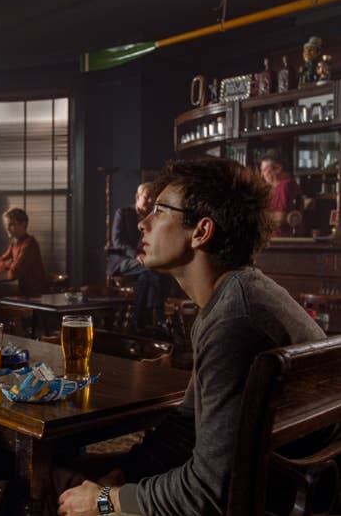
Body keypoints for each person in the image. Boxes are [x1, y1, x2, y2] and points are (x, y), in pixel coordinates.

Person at [54, 158, 327, 516]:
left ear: (201, 231)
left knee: (40, 487)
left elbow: (208, 491)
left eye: (160, 211)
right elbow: (187, 427)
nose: (143, 222)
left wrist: (107, 501)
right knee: (64, 478)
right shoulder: (236, 297)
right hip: (276, 485)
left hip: (262, 501)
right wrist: (124, 474)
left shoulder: (235, 320)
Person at [107, 182, 165, 329]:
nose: (150, 200)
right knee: (151, 269)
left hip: (146, 261)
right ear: (137, 197)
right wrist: (136, 254)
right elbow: (118, 241)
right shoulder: (124, 213)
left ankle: (138, 320)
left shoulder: (153, 217)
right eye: (147, 197)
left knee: (147, 276)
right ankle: (158, 316)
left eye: (153, 197)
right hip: (123, 260)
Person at [0, 207, 49, 295]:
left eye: (11, 224)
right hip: (23, 291)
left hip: (35, 294)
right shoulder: (14, 243)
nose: (7, 228)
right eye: (6, 225)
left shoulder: (30, 244)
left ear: (23, 224)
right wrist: (9, 264)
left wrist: (8, 267)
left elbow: (14, 273)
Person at [259, 151, 303, 236]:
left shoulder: (285, 186)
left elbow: (281, 217)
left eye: (264, 170)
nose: (262, 175)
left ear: (278, 168)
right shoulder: (277, 188)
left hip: (280, 241)